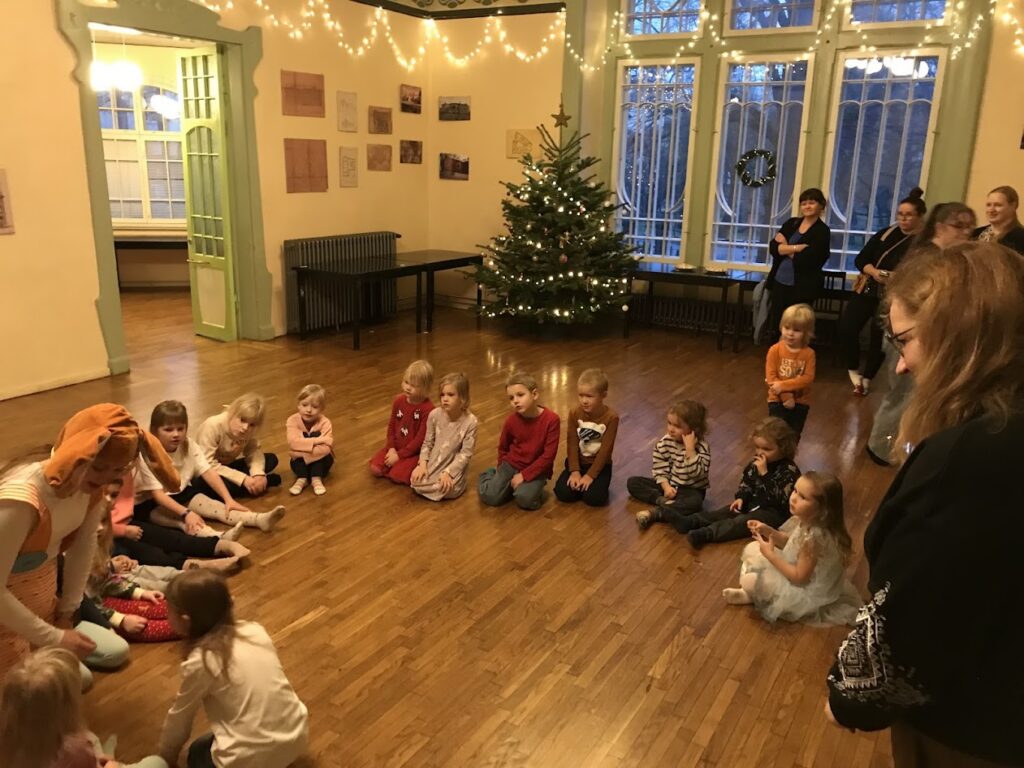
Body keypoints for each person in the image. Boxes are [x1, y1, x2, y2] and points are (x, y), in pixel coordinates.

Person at [826, 243, 1024, 766]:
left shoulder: (974, 456)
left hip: (972, 731)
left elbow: (916, 612)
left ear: (961, 335)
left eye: (906, 340)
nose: (903, 365)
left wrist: (850, 696)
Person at [0, 404, 179, 680]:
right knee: (55, 685)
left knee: (89, 668)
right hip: (7, 622)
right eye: (98, 467)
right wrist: (54, 637)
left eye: (117, 470)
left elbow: (82, 550)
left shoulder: (92, 489)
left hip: (43, 611)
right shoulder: (21, 500)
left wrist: (66, 613)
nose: (106, 478)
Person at [158, 570, 309, 768]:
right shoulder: (255, 630)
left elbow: (180, 718)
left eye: (169, 610)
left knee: (196, 751)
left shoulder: (201, 661)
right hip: (296, 737)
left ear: (185, 620)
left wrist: (166, 756)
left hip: (250, 759)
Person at [865, 202, 976, 466]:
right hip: (907, 337)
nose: (966, 233)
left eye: (969, 227)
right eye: (958, 226)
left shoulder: (946, 258)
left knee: (912, 396)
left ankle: (899, 448)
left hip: (922, 337)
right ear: (940, 227)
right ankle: (880, 448)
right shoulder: (928, 258)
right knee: (902, 394)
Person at [723, 471, 859, 626]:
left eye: (803, 497)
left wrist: (771, 555)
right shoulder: (808, 519)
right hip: (795, 565)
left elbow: (799, 577)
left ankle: (751, 595)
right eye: (795, 490)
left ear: (822, 510)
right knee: (753, 547)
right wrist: (767, 530)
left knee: (750, 580)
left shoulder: (815, 538)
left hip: (805, 590)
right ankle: (754, 593)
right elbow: (791, 543)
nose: (793, 498)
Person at [647, 417, 800, 551]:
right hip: (752, 503)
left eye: (767, 449)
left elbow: (779, 500)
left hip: (773, 514)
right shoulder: (757, 463)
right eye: (757, 447)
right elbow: (747, 483)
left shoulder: (789, 470)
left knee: (740, 522)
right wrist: (741, 497)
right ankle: (690, 522)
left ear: (783, 448)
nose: (760, 452)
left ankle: (707, 533)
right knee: (723, 512)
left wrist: (765, 474)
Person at [0, 646, 167, 768]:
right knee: (157, 763)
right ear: (67, 708)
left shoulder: (9, 739)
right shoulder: (75, 749)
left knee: (92, 739)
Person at [140, 401, 284, 533]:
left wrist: (228, 499)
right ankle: (218, 537)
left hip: (184, 492)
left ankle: (258, 519)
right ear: (154, 430)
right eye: (168, 430)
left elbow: (208, 471)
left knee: (218, 508)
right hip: (156, 503)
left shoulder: (189, 445)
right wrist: (186, 513)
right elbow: (157, 495)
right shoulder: (146, 453)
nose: (176, 434)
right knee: (187, 524)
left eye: (180, 429)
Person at [840, 188, 926, 395]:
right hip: (869, 287)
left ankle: (868, 377)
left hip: (895, 295)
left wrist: (896, 277)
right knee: (847, 327)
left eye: (909, 215)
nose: (903, 219)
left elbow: (922, 271)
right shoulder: (886, 233)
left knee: (879, 337)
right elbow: (861, 259)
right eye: (900, 214)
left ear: (920, 216)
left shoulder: (923, 242)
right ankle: (853, 369)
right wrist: (874, 272)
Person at [477, 371, 560, 511]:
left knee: (525, 499)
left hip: (536, 468)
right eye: (511, 398)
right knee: (491, 497)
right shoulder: (511, 421)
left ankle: (526, 489)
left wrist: (524, 476)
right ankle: (489, 474)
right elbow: (503, 447)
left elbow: (548, 456)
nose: (515, 401)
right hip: (511, 463)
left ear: (534, 394)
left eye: (520, 395)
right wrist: (501, 469)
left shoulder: (552, 420)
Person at [628, 400, 710, 528]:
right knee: (633, 482)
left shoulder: (702, 447)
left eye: (677, 426)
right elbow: (659, 467)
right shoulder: (665, 442)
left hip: (691, 489)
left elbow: (696, 474)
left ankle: (655, 513)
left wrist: (690, 450)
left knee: (695, 503)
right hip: (671, 485)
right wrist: (666, 486)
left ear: (693, 429)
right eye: (669, 423)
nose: (671, 429)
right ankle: (663, 502)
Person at [766, 188, 831, 335]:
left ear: (821, 205)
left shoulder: (822, 231)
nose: (807, 206)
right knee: (778, 323)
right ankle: (778, 348)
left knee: (798, 325)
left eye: (812, 203)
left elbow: (809, 260)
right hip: (779, 281)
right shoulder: (792, 223)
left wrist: (785, 247)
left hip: (803, 286)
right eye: (804, 203)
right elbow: (773, 247)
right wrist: (796, 248)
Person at [193, 394, 282, 499]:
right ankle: (259, 486)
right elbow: (206, 464)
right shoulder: (212, 426)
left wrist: (258, 473)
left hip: (225, 467)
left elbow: (252, 451)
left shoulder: (250, 430)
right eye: (242, 420)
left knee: (271, 459)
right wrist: (243, 479)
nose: (245, 428)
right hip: (204, 472)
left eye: (252, 425)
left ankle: (254, 484)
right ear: (233, 413)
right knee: (205, 486)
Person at [553, 369, 619, 507]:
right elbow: (572, 443)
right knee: (562, 493)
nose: (584, 401)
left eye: (589, 396)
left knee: (594, 498)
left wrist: (590, 475)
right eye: (581, 395)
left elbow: (605, 451)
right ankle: (581, 485)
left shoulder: (612, 417)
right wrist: (575, 471)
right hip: (579, 463)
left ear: (603, 395)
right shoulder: (574, 413)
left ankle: (587, 487)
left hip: (600, 466)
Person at [411, 373, 478, 501]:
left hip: (453, 464)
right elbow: (427, 443)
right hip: (435, 461)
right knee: (416, 480)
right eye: (442, 395)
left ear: (462, 397)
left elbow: (465, 454)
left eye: (450, 395)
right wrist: (422, 464)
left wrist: (448, 472)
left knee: (448, 487)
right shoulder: (434, 415)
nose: (445, 399)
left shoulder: (471, 422)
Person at [368, 360, 435, 485]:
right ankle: (393, 464)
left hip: (413, 453)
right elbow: (391, 426)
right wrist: (391, 448)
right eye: (406, 382)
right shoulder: (398, 401)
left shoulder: (428, 410)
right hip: (396, 447)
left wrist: (399, 456)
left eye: (414, 385)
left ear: (425, 388)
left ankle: (397, 466)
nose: (408, 387)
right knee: (375, 468)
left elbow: (420, 440)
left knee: (397, 475)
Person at [765, 303, 816, 437]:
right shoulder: (774, 350)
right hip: (776, 400)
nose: (790, 333)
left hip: (800, 402)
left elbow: (808, 379)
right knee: (775, 436)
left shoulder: (809, 354)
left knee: (793, 437)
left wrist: (782, 386)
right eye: (787, 328)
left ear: (806, 332)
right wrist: (786, 397)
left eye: (797, 330)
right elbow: (771, 377)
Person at [286, 384, 334, 497]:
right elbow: (293, 443)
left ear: (321, 409)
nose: (308, 410)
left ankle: (316, 478)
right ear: (298, 405)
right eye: (304, 405)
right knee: (313, 437)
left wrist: (299, 453)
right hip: (299, 464)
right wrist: (319, 440)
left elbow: (327, 448)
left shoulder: (325, 422)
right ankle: (302, 478)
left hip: (322, 463)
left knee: (314, 439)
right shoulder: (292, 420)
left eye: (315, 407)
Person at [971, 184, 1024, 254]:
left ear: (1013, 206)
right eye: (988, 205)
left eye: (998, 205)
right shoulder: (974, 234)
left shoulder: (1021, 238)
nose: (991, 210)